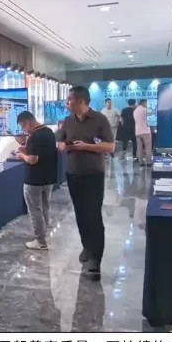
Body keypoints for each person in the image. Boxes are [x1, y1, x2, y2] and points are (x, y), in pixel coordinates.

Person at [57, 85, 115, 278]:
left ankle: (95, 260)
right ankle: (87, 247)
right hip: (73, 174)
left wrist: (86, 147)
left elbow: (110, 147)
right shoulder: (68, 121)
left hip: (93, 175)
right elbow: (61, 141)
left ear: (81, 101)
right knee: (80, 214)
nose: (67, 103)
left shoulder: (100, 120)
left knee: (93, 215)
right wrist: (63, 145)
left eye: (70, 100)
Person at [16, 110, 58, 250]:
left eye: (23, 126)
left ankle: (40, 241)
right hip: (48, 178)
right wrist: (27, 148)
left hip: (34, 179)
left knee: (35, 211)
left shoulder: (34, 136)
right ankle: (44, 234)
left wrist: (22, 155)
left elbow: (33, 160)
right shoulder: (49, 132)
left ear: (27, 123)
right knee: (44, 206)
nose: (23, 130)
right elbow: (43, 152)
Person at [133, 99, 152, 166]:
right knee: (148, 147)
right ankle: (149, 162)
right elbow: (150, 118)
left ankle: (140, 162)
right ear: (143, 103)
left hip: (138, 131)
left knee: (139, 148)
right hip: (145, 131)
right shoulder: (145, 110)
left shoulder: (135, 111)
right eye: (146, 103)